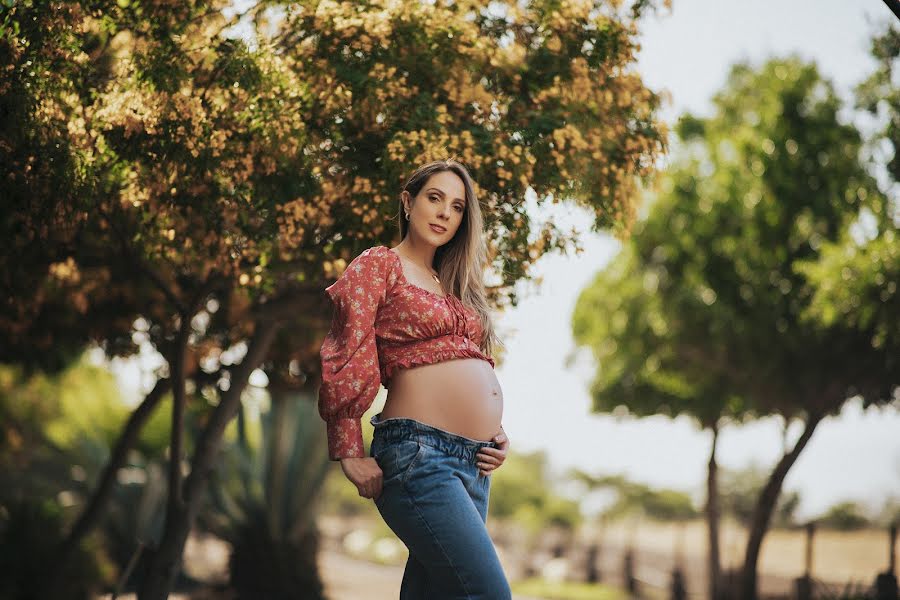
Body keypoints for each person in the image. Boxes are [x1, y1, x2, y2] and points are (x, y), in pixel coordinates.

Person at [318, 159, 512, 599]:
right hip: (418, 456)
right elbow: (345, 348)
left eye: (458, 207)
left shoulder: (454, 286)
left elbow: (466, 366)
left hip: (474, 464)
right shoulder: (380, 265)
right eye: (435, 198)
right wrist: (348, 448)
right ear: (408, 202)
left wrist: (494, 433)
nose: (445, 213)